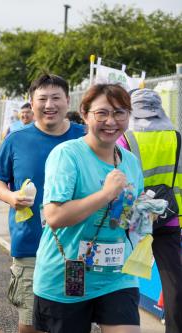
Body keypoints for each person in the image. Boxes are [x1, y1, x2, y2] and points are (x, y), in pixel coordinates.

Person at [33, 84, 143, 333]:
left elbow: (123, 218)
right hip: (65, 273)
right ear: (84, 113)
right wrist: (106, 193)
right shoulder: (67, 155)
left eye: (119, 113)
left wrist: (141, 213)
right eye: (101, 113)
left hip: (116, 275)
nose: (111, 121)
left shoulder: (131, 162)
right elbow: (55, 216)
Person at [0, 74, 85, 333]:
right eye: (42, 98)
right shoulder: (17, 139)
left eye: (56, 98)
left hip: (77, 248)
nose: (49, 104)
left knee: (72, 320)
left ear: (67, 100)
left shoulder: (84, 137)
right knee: (30, 322)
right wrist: (11, 197)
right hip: (32, 247)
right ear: (31, 102)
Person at [118, 88, 182, 333]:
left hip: (133, 219)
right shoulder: (176, 136)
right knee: (173, 280)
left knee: (123, 277)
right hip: (169, 217)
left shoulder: (126, 137)